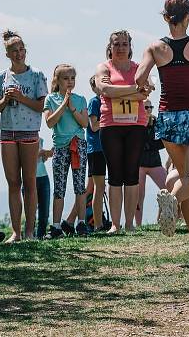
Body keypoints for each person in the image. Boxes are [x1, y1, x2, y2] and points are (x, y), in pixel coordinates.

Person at [136, 0, 189, 261]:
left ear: (165, 18)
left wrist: (148, 83)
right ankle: (172, 201)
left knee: (185, 177)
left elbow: (139, 78)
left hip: (168, 117)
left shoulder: (155, 48)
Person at [0, 30, 48, 242]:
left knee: (29, 182)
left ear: (26, 51)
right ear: (7, 54)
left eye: (21, 49)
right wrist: (5, 100)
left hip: (30, 132)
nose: (19, 54)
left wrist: (21, 98)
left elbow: (42, 106)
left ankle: (30, 232)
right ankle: (16, 232)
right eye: (14, 51)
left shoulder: (37, 75)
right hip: (8, 132)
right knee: (13, 182)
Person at [95, 30, 149, 235]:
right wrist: (134, 90)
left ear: (130, 46)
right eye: (116, 44)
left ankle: (129, 224)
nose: (120, 48)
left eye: (124, 44)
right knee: (115, 174)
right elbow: (105, 90)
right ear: (110, 47)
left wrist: (127, 91)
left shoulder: (137, 68)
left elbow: (147, 91)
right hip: (110, 125)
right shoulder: (104, 67)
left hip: (136, 125)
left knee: (132, 173)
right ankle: (115, 224)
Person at [43, 64, 89, 239]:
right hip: (61, 147)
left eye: (72, 78)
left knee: (80, 186)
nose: (69, 82)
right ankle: (56, 226)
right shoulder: (50, 99)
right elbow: (50, 122)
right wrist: (63, 104)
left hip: (78, 145)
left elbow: (84, 123)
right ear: (57, 80)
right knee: (59, 187)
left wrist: (72, 108)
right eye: (65, 78)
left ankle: (81, 223)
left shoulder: (80, 99)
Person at [85, 75, 110, 233]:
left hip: (104, 148)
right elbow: (94, 126)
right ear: (94, 88)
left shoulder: (105, 102)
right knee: (99, 188)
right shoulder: (94, 102)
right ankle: (97, 224)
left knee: (96, 188)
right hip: (96, 149)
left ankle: (96, 222)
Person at [136, 100, 166, 226]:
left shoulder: (156, 123)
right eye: (145, 107)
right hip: (140, 163)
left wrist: (149, 144)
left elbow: (162, 142)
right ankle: (138, 225)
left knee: (168, 189)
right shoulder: (136, 122)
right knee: (139, 196)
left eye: (150, 107)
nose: (148, 110)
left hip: (154, 162)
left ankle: (160, 218)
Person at [36, 138, 52, 238]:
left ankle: (40, 236)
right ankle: (30, 236)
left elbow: (40, 160)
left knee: (44, 213)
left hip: (43, 176)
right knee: (31, 213)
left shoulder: (40, 140)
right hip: (30, 178)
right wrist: (43, 152)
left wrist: (45, 155)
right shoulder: (22, 138)